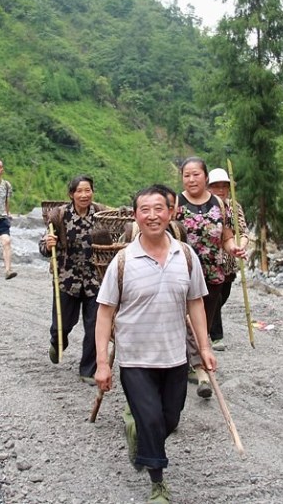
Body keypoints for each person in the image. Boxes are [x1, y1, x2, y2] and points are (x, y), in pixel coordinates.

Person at [95, 186, 215, 504]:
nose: (152, 215)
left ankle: (142, 439)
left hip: (174, 357)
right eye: (145, 210)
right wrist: (103, 364)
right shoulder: (123, 262)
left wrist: (204, 349)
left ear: (171, 213)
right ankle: (158, 482)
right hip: (135, 359)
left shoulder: (186, 257)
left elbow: (196, 306)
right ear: (136, 216)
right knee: (149, 418)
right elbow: (104, 313)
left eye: (159, 208)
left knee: (170, 420)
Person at [176, 157, 244, 397]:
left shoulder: (219, 203)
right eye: (187, 175)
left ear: (205, 177)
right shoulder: (175, 203)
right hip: (182, 274)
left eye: (196, 174)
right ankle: (200, 371)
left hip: (214, 273)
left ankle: (189, 363)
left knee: (203, 321)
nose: (192, 179)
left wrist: (233, 247)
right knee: (188, 321)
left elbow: (225, 234)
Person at [39, 175, 106, 384]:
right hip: (67, 280)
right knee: (62, 325)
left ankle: (88, 369)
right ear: (71, 194)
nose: (84, 195)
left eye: (88, 190)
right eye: (80, 191)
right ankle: (57, 342)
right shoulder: (59, 216)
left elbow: (113, 241)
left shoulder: (102, 214)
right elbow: (43, 247)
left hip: (95, 280)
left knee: (95, 325)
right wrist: (47, 244)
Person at [207, 168, 250, 309]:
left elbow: (243, 232)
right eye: (216, 186)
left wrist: (239, 248)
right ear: (208, 187)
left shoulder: (234, 207)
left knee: (220, 302)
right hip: (208, 266)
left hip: (227, 265)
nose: (221, 190)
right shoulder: (203, 207)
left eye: (224, 186)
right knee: (212, 304)